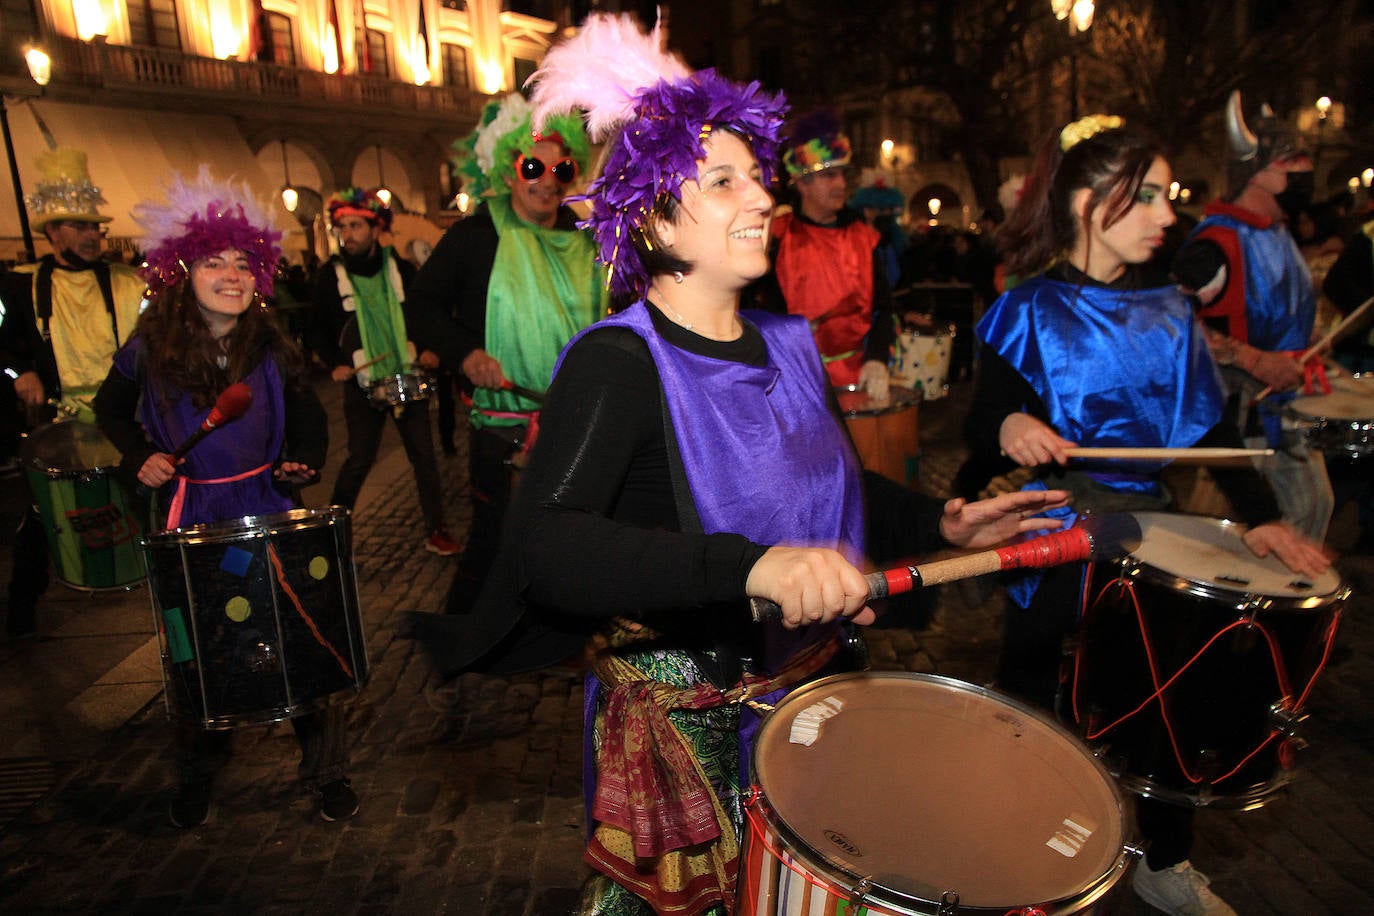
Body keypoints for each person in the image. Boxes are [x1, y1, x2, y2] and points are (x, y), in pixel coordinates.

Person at [440, 14, 1076, 914]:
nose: (760, 199)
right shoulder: (618, 362)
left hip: (810, 692)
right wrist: (751, 568)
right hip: (688, 726)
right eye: (722, 180)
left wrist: (939, 522)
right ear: (655, 214)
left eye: (757, 177)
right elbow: (546, 544)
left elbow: (832, 488)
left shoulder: (787, 341)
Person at [966, 114, 1330, 916]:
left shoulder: (1170, 307)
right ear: (1096, 200)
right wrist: (1007, 426)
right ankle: (1017, 833)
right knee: (1035, 681)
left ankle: (1164, 857)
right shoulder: (1027, 307)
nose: (1171, 214)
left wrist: (1262, 517)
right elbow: (980, 420)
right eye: (1153, 196)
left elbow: (1210, 429)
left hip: (1151, 523)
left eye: (1170, 195)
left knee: (1176, 680)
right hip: (1058, 522)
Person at [92, 168, 359, 827]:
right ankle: (196, 781)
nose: (232, 276)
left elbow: (308, 415)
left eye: (244, 263)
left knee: (297, 637)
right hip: (192, 516)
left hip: (268, 509)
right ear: (183, 270)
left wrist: (305, 458)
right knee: (199, 651)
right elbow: (110, 410)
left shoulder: (268, 341)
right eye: (215, 262)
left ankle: (327, 773)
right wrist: (141, 459)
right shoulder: (148, 347)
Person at [406, 93, 607, 606]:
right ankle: (465, 637)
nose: (547, 179)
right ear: (509, 168)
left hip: (575, 422)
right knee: (496, 536)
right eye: (534, 165)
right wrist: (466, 354)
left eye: (562, 169)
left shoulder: (586, 238)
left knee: (572, 536)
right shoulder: (475, 236)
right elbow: (422, 306)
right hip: (503, 426)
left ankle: (552, 638)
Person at [1172, 91, 1333, 542]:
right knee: (1287, 516)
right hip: (1244, 410)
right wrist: (1255, 360)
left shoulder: (1276, 232)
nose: (1306, 169)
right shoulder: (1214, 245)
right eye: (1292, 160)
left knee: (1309, 510)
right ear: (1257, 172)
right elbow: (1174, 325)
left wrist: (1312, 336)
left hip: (1284, 402)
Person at [0, 147, 145, 639]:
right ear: (52, 232)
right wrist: (18, 370)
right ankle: (20, 612)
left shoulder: (130, 283)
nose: (91, 236)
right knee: (44, 515)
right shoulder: (21, 287)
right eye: (80, 227)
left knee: (151, 504)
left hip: (126, 419)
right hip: (63, 425)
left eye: (95, 227)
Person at [307, 187, 460, 557]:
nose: (348, 235)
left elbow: (427, 313)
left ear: (376, 229)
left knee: (423, 455)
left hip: (406, 373)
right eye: (342, 228)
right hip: (361, 381)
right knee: (359, 458)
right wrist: (335, 363)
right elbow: (314, 327)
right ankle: (331, 534)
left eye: (356, 226)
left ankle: (436, 529)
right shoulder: (330, 276)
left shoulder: (403, 269)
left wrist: (429, 349)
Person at [753, 109, 897, 401]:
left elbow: (883, 308)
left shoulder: (863, 238)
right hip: (796, 384)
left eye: (842, 175)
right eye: (829, 176)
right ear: (802, 182)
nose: (841, 184)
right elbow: (759, 316)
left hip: (858, 381)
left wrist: (877, 358)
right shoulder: (779, 240)